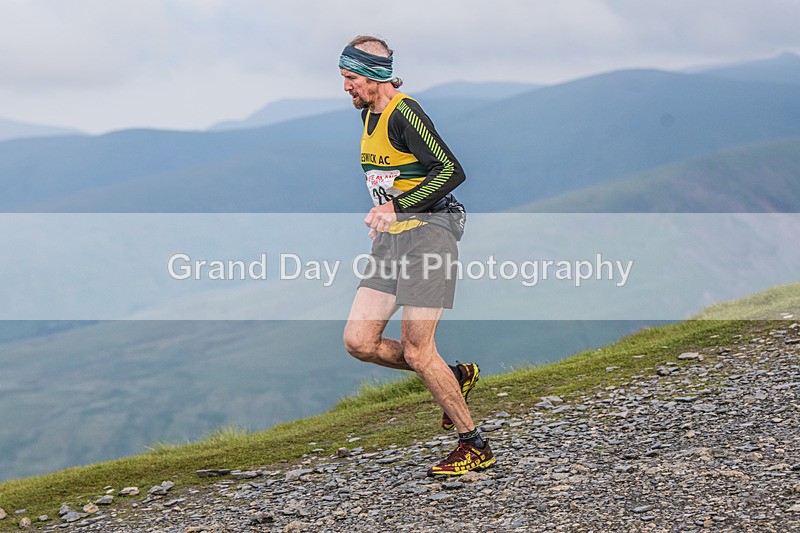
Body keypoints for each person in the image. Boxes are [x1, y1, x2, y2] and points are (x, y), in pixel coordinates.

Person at [339, 35, 495, 476]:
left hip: (431, 234)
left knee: (416, 349)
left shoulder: (404, 112)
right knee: (359, 342)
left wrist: (397, 208)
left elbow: (451, 170)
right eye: (344, 78)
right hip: (393, 241)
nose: (346, 87)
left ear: (373, 76)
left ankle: (474, 444)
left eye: (351, 78)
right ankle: (455, 376)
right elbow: (389, 176)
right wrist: (385, 217)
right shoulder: (367, 116)